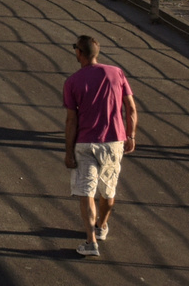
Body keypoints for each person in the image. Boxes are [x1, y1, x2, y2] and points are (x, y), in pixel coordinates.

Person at [62, 35, 138, 259]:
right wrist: (131, 135)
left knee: (86, 193)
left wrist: (68, 151)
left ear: (79, 53)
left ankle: (90, 241)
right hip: (114, 141)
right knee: (108, 190)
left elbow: (71, 120)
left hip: (85, 142)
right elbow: (131, 108)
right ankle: (102, 226)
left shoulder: (72, 82)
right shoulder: (116, 73)